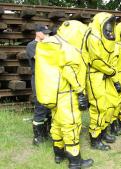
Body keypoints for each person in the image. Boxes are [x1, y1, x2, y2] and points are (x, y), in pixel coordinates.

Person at [35, 20, 93, 169]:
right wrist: (80, 91)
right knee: (71, 125)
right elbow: (70, 71)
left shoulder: (53, 43)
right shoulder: (69, 49)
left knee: (57, 124)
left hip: (54, 93)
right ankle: (75, 161)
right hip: (67, 94)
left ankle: (59, 154)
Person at [86, 12, 119, 151]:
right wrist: (110, 71)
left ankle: (103, 132)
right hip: (95, 76)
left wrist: (109, 72)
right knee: (98, 107)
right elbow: (95, 60)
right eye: (108, 24)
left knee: (107, 105)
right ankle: (95, 139)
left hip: (104, 76)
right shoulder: (93, 37)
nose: (110, 28)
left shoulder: (103, 37)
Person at [26, 24, 52, 146]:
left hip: (48, 78)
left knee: (48, 106)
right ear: (37, 33)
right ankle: (37, 138)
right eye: (44, 33)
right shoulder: (32, 45)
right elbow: (42, 59)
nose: (47, 35)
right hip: (38, 78)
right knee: (40, 105)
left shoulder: (45, 45)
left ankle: (46, 133)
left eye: (48, 33)